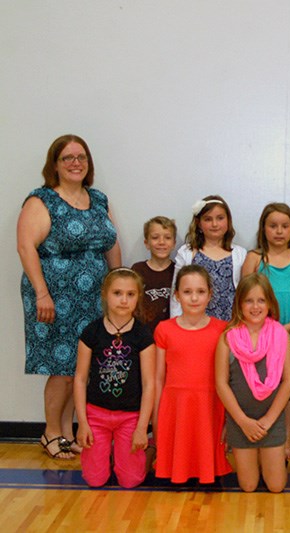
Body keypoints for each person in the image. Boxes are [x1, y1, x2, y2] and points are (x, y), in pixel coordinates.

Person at [17, 134, 121, 460]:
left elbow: (110, 243)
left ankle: (66, 431)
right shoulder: (42, 200)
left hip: (93, 298)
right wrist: (42, 293)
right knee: (61, 365)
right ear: (55, 164)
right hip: (54, 298)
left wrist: (117, 286)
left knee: (81, 368)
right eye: (67, 157)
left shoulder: (99, 199)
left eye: (81, 157)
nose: (76, 163)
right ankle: (50, 432)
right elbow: (25, 247)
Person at [73, 268, 155, 488]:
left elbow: (149, 384)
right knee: (95, 480)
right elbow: (80, 379)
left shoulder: (143, 335)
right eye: (117, 293)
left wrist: (142, 427)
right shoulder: (91, 332)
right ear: (105, 294)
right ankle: (104, 453)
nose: (124, 300)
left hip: (130, 416)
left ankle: (135, 454)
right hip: (96, 415)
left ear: (138, 298)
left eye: (130, 294)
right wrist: (82, 423)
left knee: (130, 481)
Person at [241, 202, 290, 460]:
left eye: (284, 226)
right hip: (261, 332)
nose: (279, 231)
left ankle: (286, 437)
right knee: (262, 383)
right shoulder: (254, 258)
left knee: (288, 386)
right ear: (264, 229)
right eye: (273, 226)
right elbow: (244, 296)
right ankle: (261, 433)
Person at [215, 273, 290, 492]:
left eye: (261, 300)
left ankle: (271, 458)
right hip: (241, 422)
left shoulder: (281, 335)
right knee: (248, 486)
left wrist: (268, 420)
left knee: (277, 486)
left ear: (270, 303)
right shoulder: (227, 338)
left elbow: (288, 381)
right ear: (240, 304)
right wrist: (242, 421)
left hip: (272, 420)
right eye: (249, 300)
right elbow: (221, 384)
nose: (255, 306)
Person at [154, 265, 232, 483]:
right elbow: (158, 378)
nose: (194, 298)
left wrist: (228, 419)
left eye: (200, 291)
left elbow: (228, 378)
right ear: (177, 295)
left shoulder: (222, 329)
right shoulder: (164, 329)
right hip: (176, 404)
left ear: (210, 295)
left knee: (206, 446)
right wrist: (156, 416)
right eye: (187, 292)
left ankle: (208, 473)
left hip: (210, 403)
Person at [170, 195, 246, 321]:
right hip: (195, 325)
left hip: (230, 323)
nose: (215, 224)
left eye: (220, 218)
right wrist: (177, 323)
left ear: (228, 221)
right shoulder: (187, 253)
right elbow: (176, 293)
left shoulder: (240, 254)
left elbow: (245, 293)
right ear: (199, 223)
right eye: (208, 219)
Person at [131, 216, 177, 333]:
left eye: (167, 238)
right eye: (155, 237)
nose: (161, 242)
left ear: (174, 244)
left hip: (170, 333)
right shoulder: (137, 270)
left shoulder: (178, 271)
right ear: (147, 243)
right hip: (142, 334)